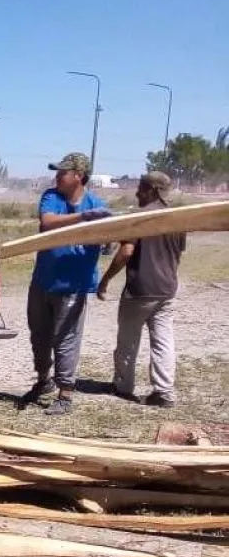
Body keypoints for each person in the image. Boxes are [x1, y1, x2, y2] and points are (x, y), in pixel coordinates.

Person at [22, 152, 111, 416]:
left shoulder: (97, 204)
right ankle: (43, 381)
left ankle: (65, 394)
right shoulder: (52, 197)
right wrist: (83, 218)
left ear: (79, 176)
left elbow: (109, 239)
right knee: (39, 335)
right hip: (43, 281)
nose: (57, 177)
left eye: (63, 173)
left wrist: (105, 232)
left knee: (66, 339)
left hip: (73, 285)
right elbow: (48, 222)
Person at [97, 172, 184, 408]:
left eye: (141, 188)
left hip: (140, 290)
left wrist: (105, 280)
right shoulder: (179, 219)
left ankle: (123, 386)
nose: (137, 193)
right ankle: (164, 392)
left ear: (152, 191)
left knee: (128, 341)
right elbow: (177, 254)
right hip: (166, 289)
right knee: (163, 342)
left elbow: (126, 252)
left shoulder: (140, 217)